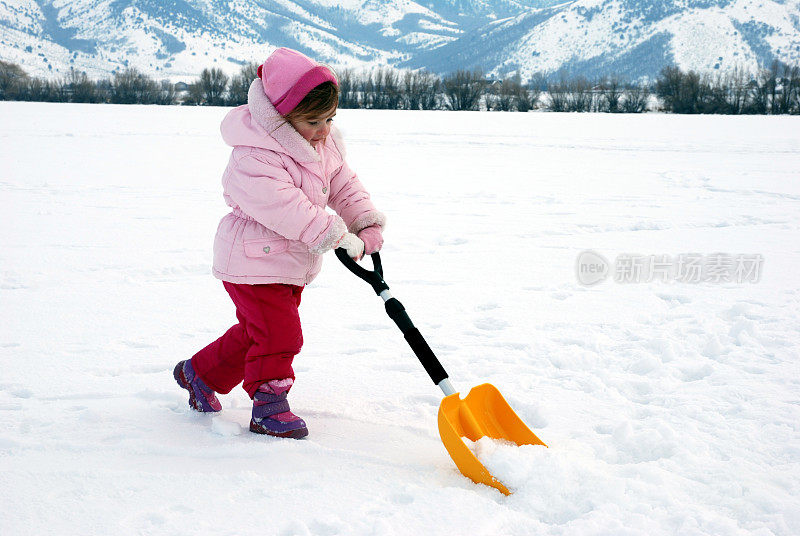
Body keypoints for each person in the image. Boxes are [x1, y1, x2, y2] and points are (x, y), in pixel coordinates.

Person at [173, 47, 385, 439]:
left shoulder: (325, 144)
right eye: (314, 121)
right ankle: (268, 406)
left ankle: (199, 374)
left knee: (258, 333)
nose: (325, 130)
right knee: (280, 335)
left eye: (330, 119)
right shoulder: (254, 155)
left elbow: (343, 184)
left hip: (288, 262)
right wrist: (336, 235)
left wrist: (364, 221)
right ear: (280, 117)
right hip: (251, 261)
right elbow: (286, 208)